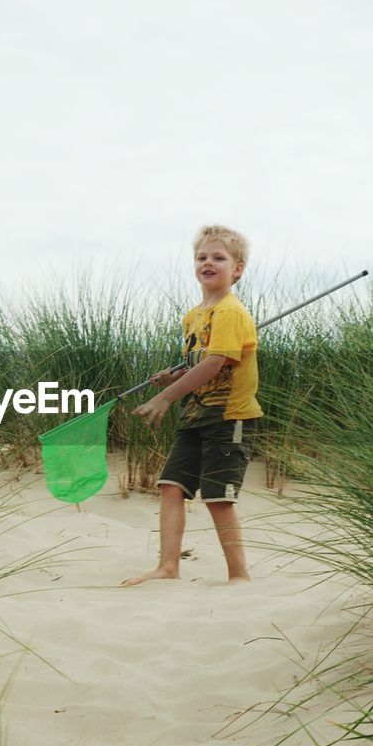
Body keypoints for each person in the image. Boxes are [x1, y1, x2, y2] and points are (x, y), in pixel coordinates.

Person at [123, 225, 262, 586]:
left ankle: (239, 575)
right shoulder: (194, 315)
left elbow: (217, 363)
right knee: (171, 486)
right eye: (202, 257)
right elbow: (199, 360)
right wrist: (173, 377)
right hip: (196, 415)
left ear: (238, 269)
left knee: (218, 497)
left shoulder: (231, 312)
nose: (208, 263)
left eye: (219, 257)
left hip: (229, 416)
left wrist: (165, 397)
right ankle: (168, 566)